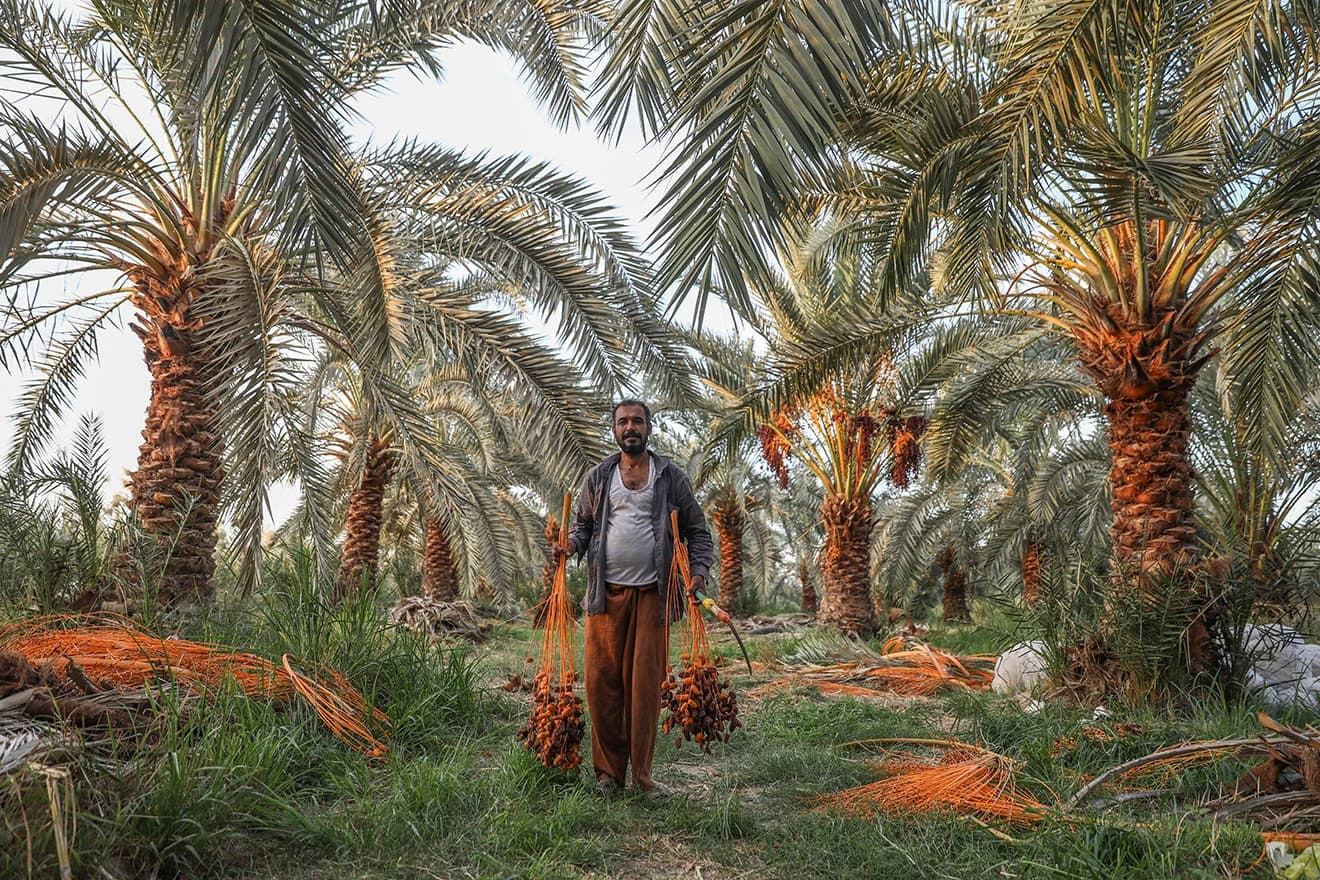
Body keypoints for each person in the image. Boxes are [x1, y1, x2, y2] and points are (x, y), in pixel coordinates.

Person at [556, 399, 714, 797]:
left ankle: (642, 777)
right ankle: (608, 775)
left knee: (644, 687)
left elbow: (698, 531)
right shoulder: (598, 476)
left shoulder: (669, 477)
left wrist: (698, 573)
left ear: (649, 429)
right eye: (624, 422)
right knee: (601, 683)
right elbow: (583, 527)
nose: (631, 428)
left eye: (638, 422)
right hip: (605, 596)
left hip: (653, 596)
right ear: (614, 430)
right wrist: (570, 547)